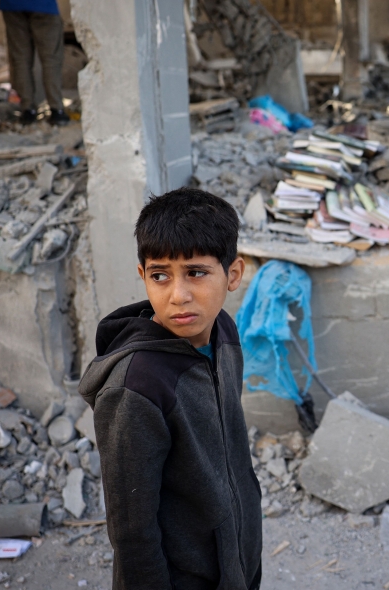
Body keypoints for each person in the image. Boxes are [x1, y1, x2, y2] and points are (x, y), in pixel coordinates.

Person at [79, 188, 262, 589]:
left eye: (196, 272)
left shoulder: (224, 334)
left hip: (237, 561)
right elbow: (132, 532)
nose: (178, 295)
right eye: (161, 275)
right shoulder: (137, 386)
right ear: (144, 276)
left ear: (233, 274)